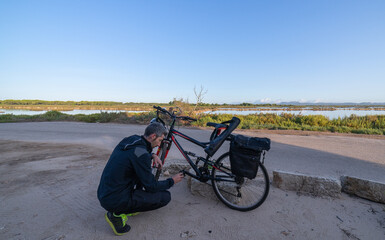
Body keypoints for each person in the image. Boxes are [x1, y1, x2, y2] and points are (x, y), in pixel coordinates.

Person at [97, 122, 184, 235]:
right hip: (114, 201)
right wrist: (172, 181)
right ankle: (116, 215)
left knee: (140, 175)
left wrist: (152, 155)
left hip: (105, 192)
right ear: (153, 136)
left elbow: (136, 153)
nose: (159, 144)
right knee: (165, 196)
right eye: (159, 140)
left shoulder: (132, 140)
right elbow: (151, 186)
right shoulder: (142, 155)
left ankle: (129, 205)